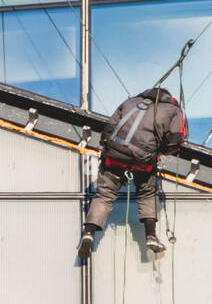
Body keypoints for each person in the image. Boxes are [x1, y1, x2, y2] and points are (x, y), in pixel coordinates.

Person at [78, 87, 188, 260]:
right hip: (142, 159)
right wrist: (158, 151)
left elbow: (108, 129)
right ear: (168, 97)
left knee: (104, 195)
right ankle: (150, 235)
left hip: (114, 155)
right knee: (147, 193)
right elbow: (176, 139)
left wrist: (106, 148)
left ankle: (89, 232)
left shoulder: (129, 102)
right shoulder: (173, 110)